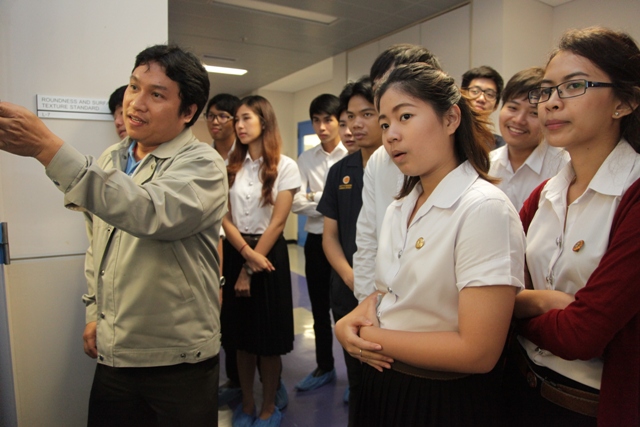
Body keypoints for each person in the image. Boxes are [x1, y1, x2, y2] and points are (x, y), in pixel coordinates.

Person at [0, 44, 228, 427]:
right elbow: (98, 246)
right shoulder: (112, 158)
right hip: (115, 352)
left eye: (157, 95)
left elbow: (149, 211)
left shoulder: (203, 163)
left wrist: (47, 148)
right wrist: (94, 313)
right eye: (134, 86)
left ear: (188, 112)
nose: (136, 103)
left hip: (178, 357)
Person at [335, 63, 525, 426]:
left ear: (450, 119)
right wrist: (352, 319)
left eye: (405, 116)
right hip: (384, 381)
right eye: (385, 124)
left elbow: (478, 351)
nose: (391, 135)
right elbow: (392, 292)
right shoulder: (400, 207)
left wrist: (366, 336)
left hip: (441, 395)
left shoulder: (483, 208)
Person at [505, 27, 640, 427]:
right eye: (546, 90)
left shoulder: (632, 195)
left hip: (589, 408)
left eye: (574, 86)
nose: (550, 102)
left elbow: (582, 334)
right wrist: (541, 302)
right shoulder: (545, 194)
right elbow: (491, 288)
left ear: (625, 102)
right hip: (519, 387)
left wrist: (510, 309)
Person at [222, 95, 300, 427]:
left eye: (246, 118)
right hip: (239, 249)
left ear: (264, 121)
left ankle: (269, 407)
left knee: (268, 343)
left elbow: (278, 223)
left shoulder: (285, 165)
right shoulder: (230, 165)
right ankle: (247, 403)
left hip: (269, 255)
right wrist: (245, 255)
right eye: (236, 119)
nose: (239, 125)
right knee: (241, 340)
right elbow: (223, 215)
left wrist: (251, 266)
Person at [352, 44, 441, 302]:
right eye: (379, 88)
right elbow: (367, 239)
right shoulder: (379, 160)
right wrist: (367, 303)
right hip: (384, 304)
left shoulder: (463, 170)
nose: (387, 95)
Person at [316, 78, 382, 415]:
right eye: (351, 116)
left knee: (387, 381)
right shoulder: (340, 171)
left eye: (367, 114)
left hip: (389, 294)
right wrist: (350, 276)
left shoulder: (404, 168)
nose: (356, 124)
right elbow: (329, 236)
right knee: (357, 382)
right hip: (347, 288)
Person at [292, 94, 347, 392]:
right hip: (315, 242)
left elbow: (354, 204)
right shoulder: (306, 159)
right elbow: (296, 203)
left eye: (328, 120)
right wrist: (331, 200)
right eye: (316, 120)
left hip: (345, 243)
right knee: (319, 309)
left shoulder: (351, 155)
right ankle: (324, 366)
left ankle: (356, 377)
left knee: (347, 310)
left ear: (339, 121)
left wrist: (315, 197)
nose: (322, 127)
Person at [489, 67, 569, 211]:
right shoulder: (486, 164)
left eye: (533, 113)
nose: (519, 120)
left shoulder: (563, 168)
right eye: (513, 108)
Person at [461, 65, 505, 149]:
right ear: (462, 95)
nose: (481, 99)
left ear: (496, 105)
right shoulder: (447, 136)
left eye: (489, 94)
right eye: (475, 91)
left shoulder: (501, 147)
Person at [206, 93, 240, 162]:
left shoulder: (248, 155)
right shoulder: (204, 156)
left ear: (236, 120)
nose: (215, 122)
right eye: (211, 115)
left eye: (222, 116)